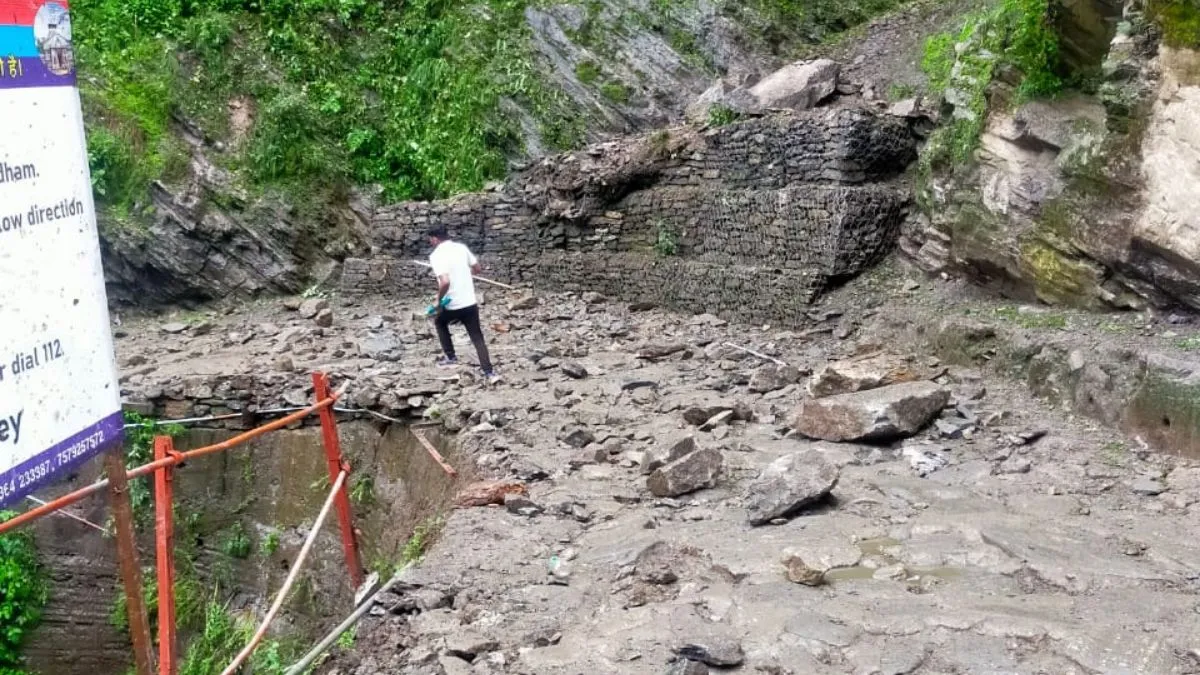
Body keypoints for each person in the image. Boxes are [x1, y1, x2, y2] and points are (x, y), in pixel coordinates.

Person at [426, 225, 498, 382]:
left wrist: (438, 299)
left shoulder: (436, 255)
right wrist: (463, 274)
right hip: (469, 302)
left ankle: (450, 356)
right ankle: (489, 372)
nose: (430, 242)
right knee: (477, 337)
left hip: (452, 304)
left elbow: (445, 282)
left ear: (434, 239)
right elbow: (477, 269)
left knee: (439, 322)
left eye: (430, 239)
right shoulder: (461, 248)